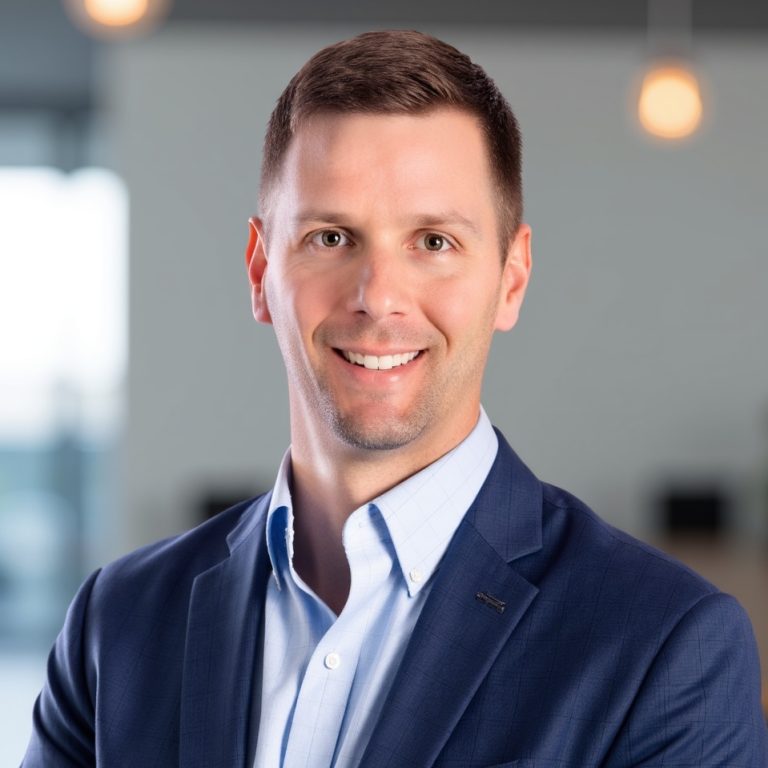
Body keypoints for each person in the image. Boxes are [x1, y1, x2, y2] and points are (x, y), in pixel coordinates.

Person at [24, 30, 767, 768]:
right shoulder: (115, 625)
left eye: (434, 242)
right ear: (259, 271)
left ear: (511, 278)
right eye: (331, 237)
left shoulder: (664, 649)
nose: (378, 298)